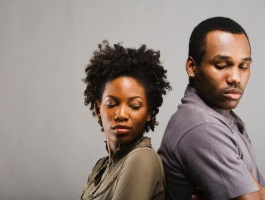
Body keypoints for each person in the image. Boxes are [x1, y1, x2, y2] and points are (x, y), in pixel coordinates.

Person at [158, 16, 265, 200]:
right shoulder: (202, 126)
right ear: (192, 67)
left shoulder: (221, 117)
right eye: (222, 65)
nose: (235, 77)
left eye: (243, 66)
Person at [80, 40, 171, 200]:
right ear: (97, 109)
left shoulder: (142, 159)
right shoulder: (99, 168)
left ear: (148, 112)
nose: (121, 114)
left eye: (134, 105)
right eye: (112, 104)